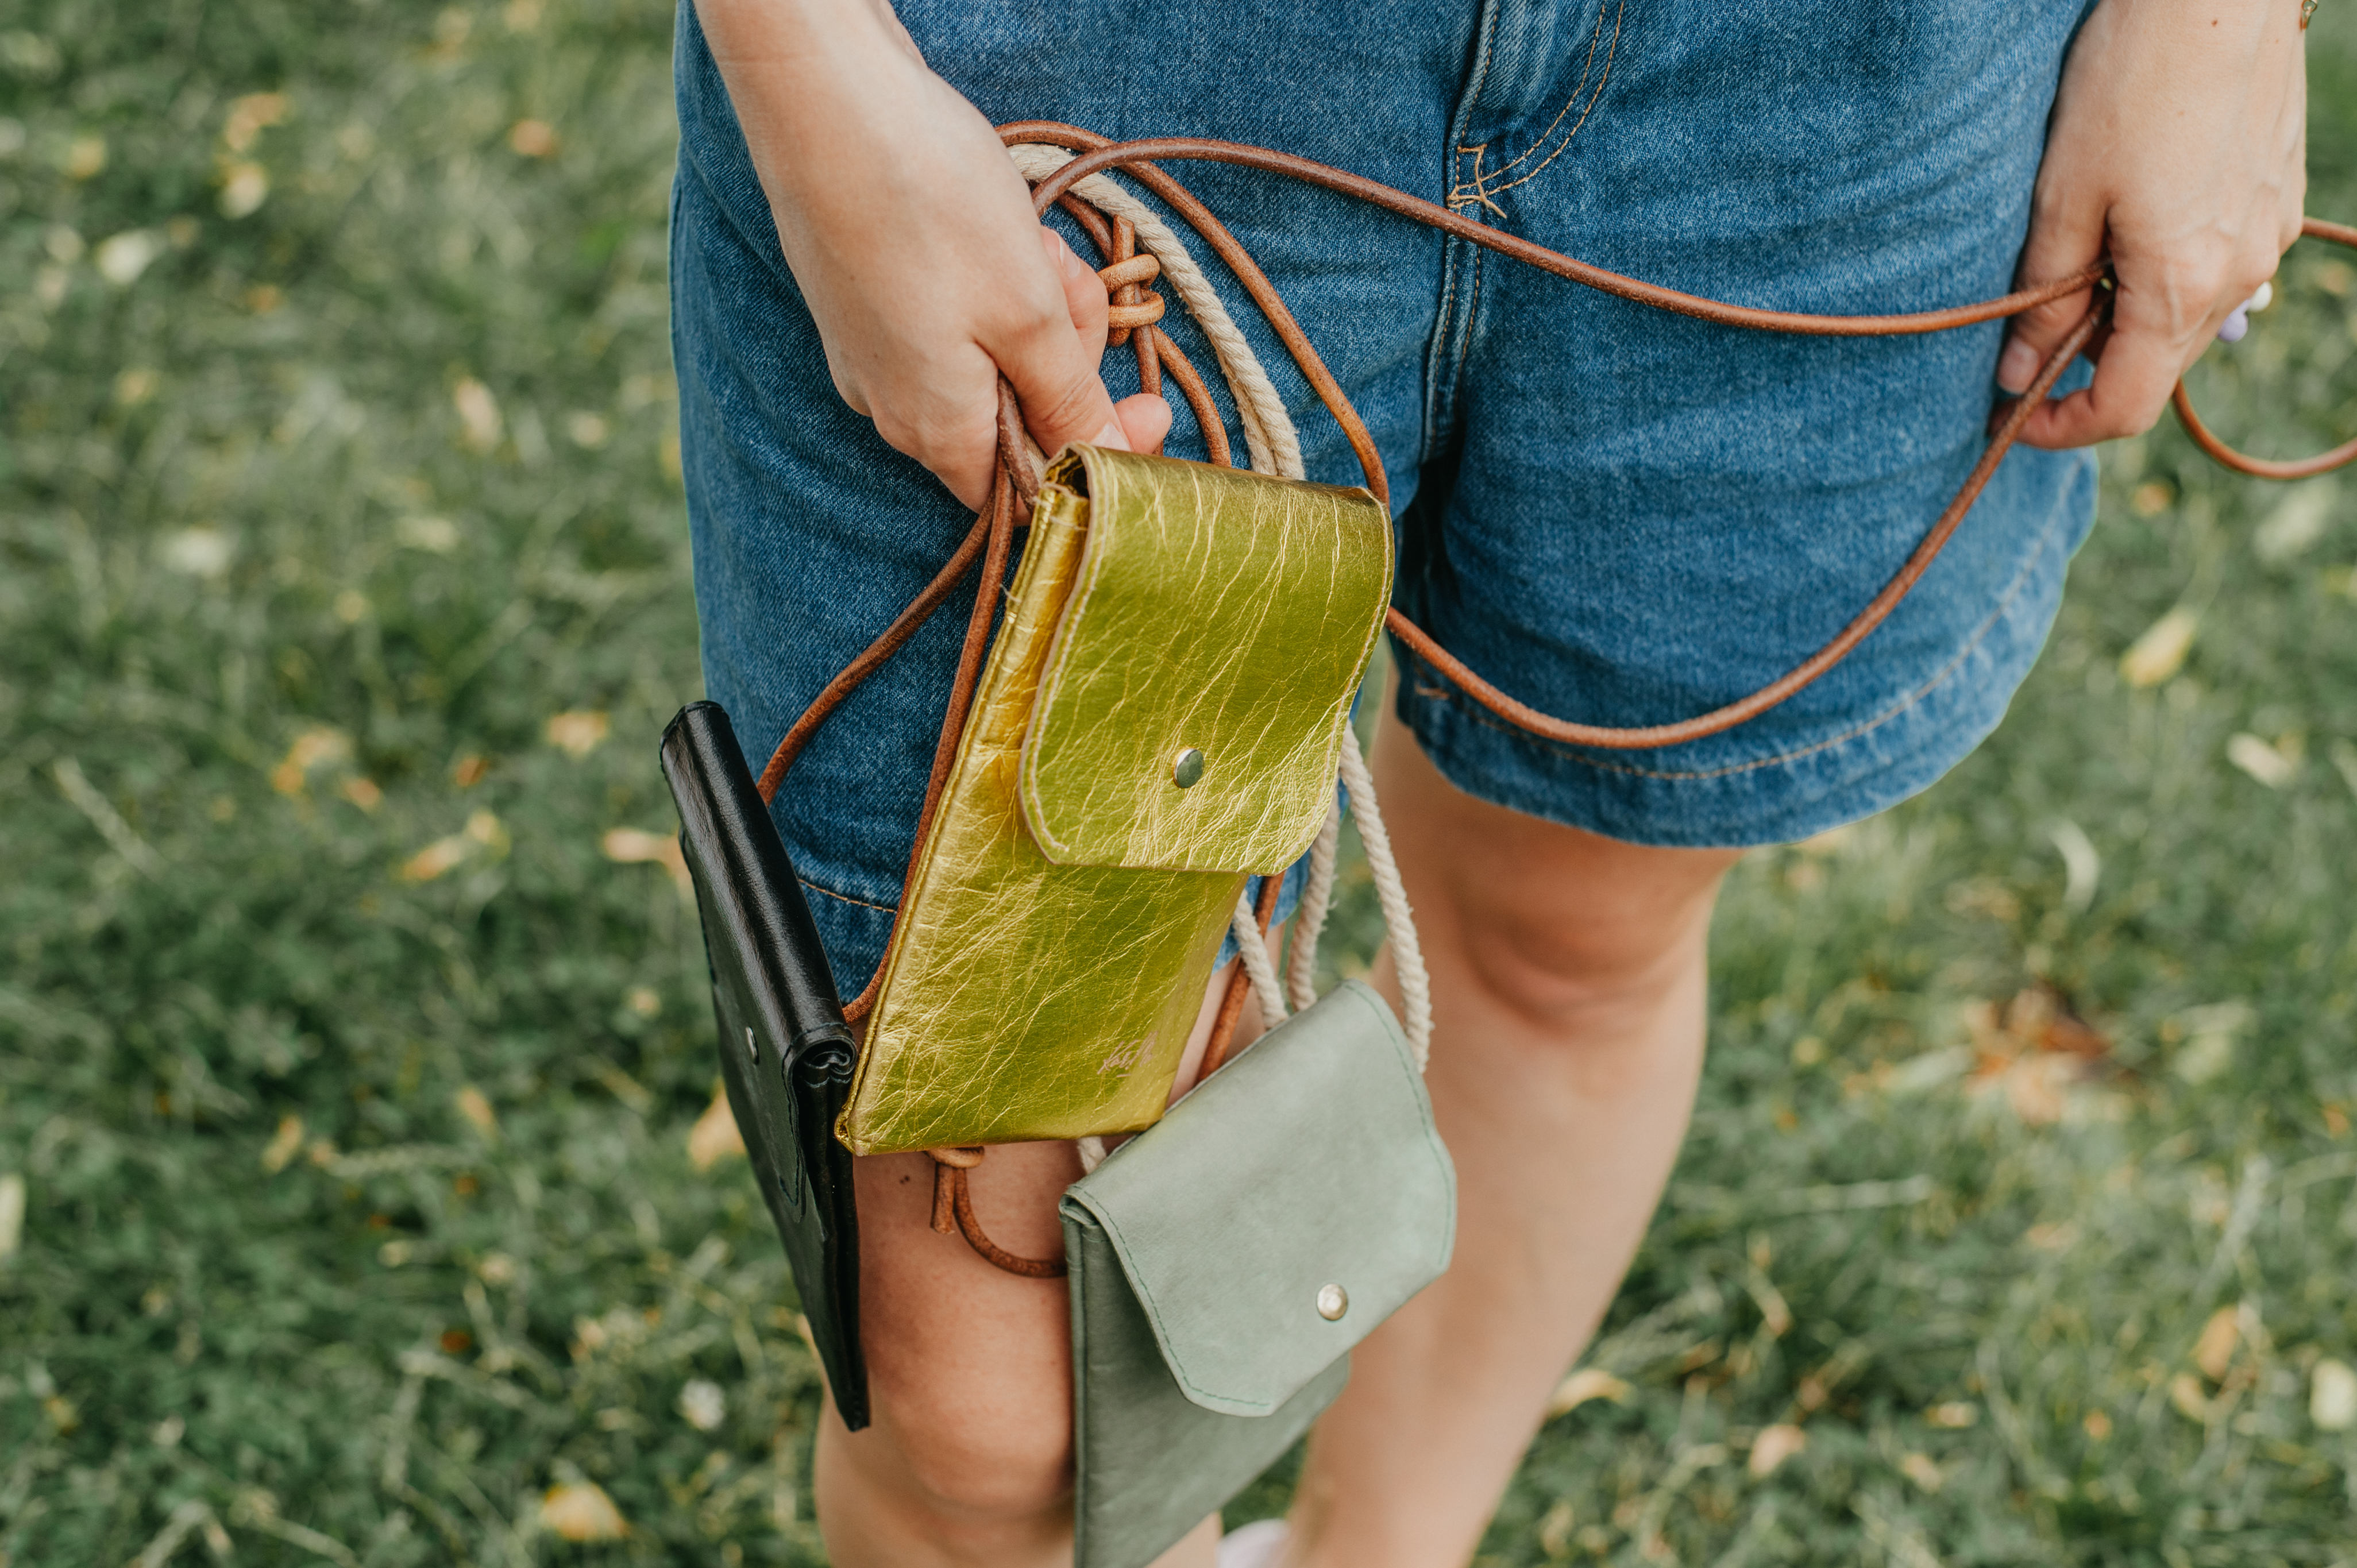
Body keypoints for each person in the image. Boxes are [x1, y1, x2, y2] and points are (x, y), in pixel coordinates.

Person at [668, 0, 2308, 1561]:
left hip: (1840, 93)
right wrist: (807, 70)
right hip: (1091, 72)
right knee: (991, 1384)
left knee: (1568, 932)